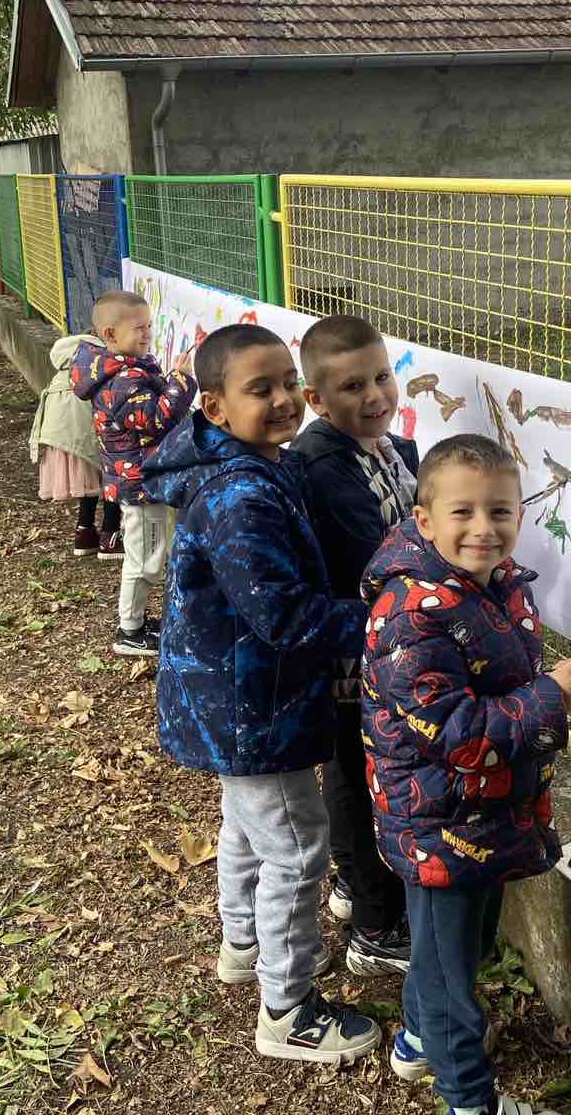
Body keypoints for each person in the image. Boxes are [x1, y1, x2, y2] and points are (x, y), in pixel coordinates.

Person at [143, 323, 380, 1065]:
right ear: (215, 408)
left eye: (286, 383)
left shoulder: (253, 465)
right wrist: (389, 620)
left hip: (230, 699)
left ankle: (244, 945)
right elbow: (282, 616)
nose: (282, 400)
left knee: (247, 828)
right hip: (251, 706)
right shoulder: (242, 495)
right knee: (299, 848)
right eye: (260, 390)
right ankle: (287, 1009)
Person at [361, 433, 571, 1115]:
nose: (483, 528)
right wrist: (549, 700)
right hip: (438, 824)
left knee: (457, 951)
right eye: (462, 512)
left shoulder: (493, 583)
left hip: (480, 815)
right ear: (424, 519)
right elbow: (455, 733)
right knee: (449, 981)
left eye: (500, 510)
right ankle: (469, 1100)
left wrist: (542, 697)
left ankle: (416, 1042)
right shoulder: (412, 614)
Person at [291, 315, 417, 976]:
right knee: (354, 767)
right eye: (352, 387)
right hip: (350, 644)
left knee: (357, 763)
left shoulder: (386, 448)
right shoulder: (324, 466)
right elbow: (378, 558)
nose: (375, 396)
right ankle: (374, 923)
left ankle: (352, 882)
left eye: (382, 377)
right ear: (316, 399)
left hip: (379, 639)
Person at [70, 291, 196, 657]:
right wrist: (180, 381)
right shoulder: (122, 380)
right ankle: (129, 631)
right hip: (140, 485)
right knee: (144, 560)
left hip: (144, 479)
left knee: (151, 554)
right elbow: (155, 419)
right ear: (110, 334)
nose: (147, 333)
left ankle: (136, 622)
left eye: (149, 326)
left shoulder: (127, 369)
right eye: (139, 328)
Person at [29, 328, 123, 561]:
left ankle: (84, 533)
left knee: (87, 481)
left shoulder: (64, 364)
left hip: (57, 434)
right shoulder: (99, 361)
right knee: (111, 473)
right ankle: (110, 536)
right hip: (83, 429)